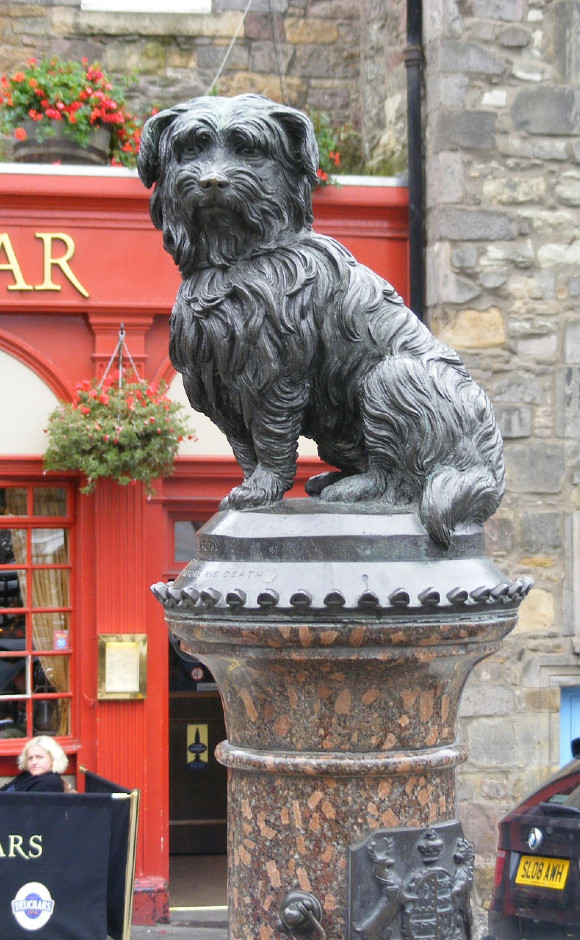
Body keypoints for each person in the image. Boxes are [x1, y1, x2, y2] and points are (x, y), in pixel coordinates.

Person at [0, 735, 68, 792]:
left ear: (53, 759)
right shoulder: (26, 775)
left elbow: (27, 806)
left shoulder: (50, 782)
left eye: (39, 757)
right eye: (30, 758)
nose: (34, 762)